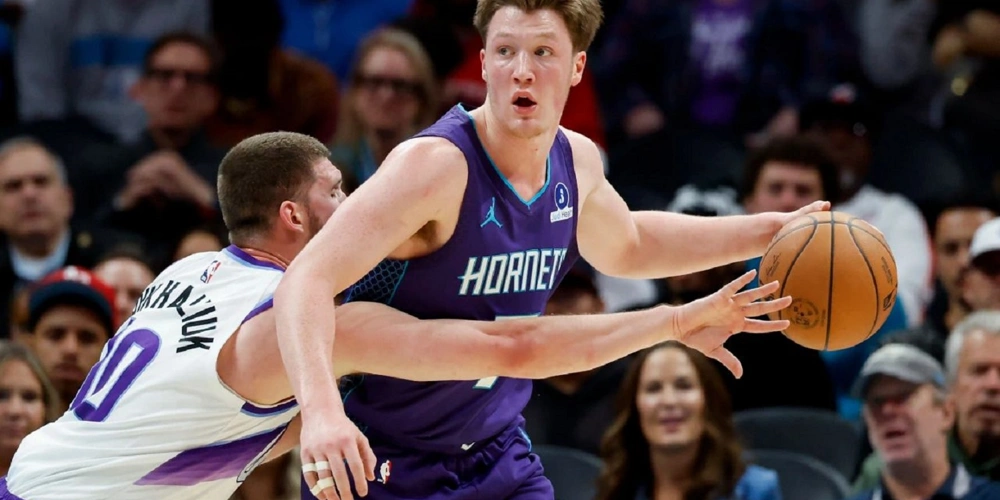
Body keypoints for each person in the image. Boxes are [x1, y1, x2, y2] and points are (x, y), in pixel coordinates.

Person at [0, 132, 791, 500]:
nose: (360, 206)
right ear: (293, 216)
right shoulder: (305, 323)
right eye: (339, 194)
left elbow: (210, 424)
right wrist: (675, 322)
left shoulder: (188, 272)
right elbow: (514, 345)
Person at [273, 1, 829, 499]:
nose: (522, 70)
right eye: (505, 51)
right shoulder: (434, 166)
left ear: (577, 68)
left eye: (542, 52)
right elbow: (305, 279)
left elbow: (631, 244)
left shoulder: (576, 160)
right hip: (383, 458)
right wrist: (321, 413)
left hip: (496, 453)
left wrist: (770, 231)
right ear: (484, 64)